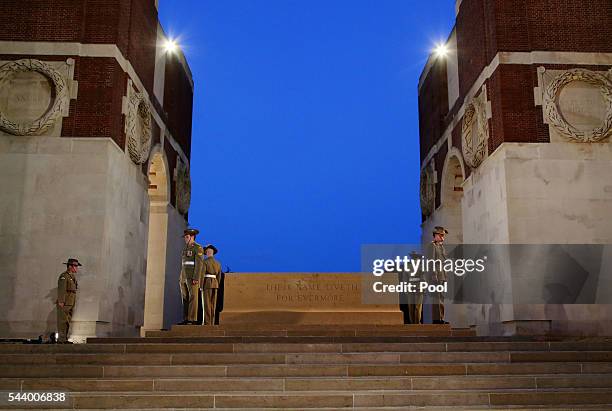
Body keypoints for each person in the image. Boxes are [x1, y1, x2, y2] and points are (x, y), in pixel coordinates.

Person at [179, 228, 205, 325]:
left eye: (187, 237)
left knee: (193, 297)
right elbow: (184, 263)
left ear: (192, 237)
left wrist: (196, 277)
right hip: (184, 276)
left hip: (192, 276)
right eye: (185, 237)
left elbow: (199, 264)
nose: (185, 239)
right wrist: (181, 277)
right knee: (185, 298)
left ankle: (192, 318)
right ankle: (186, 318)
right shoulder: (185, 248)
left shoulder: (198, 248)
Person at [427, 226, 449, 324]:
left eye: (443, 235)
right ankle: (436, 319)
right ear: (435, 235)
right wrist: (433, 275)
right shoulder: (432, 246)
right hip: (436, 275)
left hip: (443, 275)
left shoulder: (441, 247)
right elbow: (431, 261)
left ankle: (441, 318)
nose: (442, 237)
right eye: (441, 235)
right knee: (437, 298)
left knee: (441, 298)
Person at [56, 258, 81, 343]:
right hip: (65, 302)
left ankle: (64, 338)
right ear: (70, 266)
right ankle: (61, 339)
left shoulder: (72, 276)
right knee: (62, 321)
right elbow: (62, 289)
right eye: (75, 266)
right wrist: (61, 301)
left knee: (67, 321)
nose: (77, 268)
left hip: (70, 302)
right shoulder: (64, 276)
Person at [202, 244, 222, 325]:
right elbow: (219, 276)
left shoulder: (205, 262)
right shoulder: (218, 263)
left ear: (207, 253)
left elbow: (202, 274)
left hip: (207, 283)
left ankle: (207, 322)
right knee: (213, 304)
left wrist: (200, 286)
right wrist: (217, 284)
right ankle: (212, 322)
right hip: (215, 284)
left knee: (207, 304)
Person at [407, 251, 425, 324]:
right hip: (419, 287)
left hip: (409, 287)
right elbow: (423, 278)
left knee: (410, 307)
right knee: (418, 307)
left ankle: (412, 323)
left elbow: (405, 278)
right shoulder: (421, 265)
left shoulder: (407, 265)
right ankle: (417, 323)